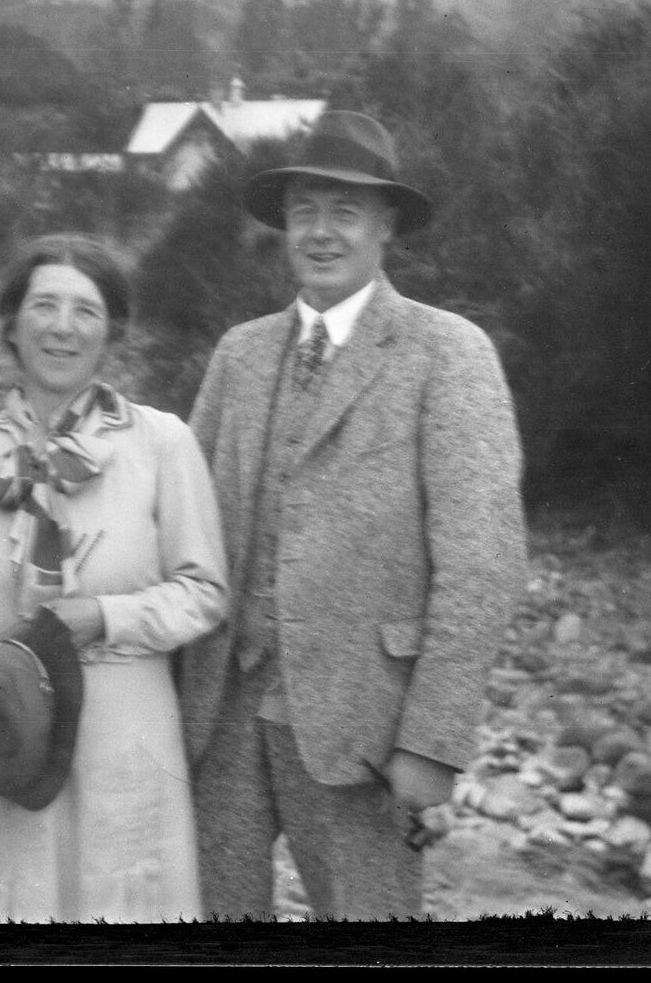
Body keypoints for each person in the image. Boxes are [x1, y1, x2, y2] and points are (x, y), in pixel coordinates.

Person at [179, 110, 528, 919]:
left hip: (361, 725)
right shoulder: (239, 353)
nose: (320, 232)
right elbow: (180, 521)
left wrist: (431, 741)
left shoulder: (447, 353)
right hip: (219, 711)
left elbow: (483, 562)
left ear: (386, 225)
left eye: (345, 211)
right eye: (304, 210)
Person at [0, 233, 228, 921]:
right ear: (9, 323)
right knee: (7, 899)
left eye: (85, 310)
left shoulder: (159, 443)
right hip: (4, 725)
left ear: (111, 330)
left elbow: (204, 593)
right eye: (44, 305)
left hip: (124, 729)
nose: (62, 327)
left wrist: (105, 616)